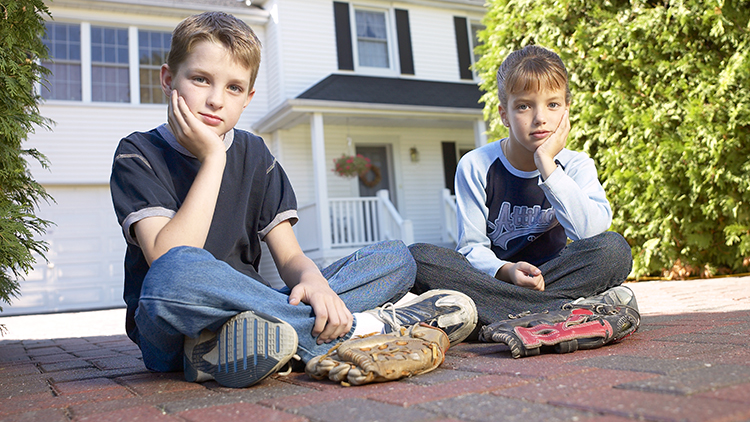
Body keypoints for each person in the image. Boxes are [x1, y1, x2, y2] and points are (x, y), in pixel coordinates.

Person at [110, 11, 476, 388]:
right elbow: (168, 258)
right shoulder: (137, 153)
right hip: (170, 324)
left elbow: (289, 258)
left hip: (257, 316)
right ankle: (364, 328)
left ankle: (228, 352)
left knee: (395, 257)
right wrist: (214, 159)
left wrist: (315, 284)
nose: (216, 100)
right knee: (174, 271)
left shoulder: (256, 154)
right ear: (169, 80)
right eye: (200, 79)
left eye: (233, 88)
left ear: (248, 98)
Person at [409, 45, 636, 332]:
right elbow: (472, 247)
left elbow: (588, 233)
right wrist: (507, 271)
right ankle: (563, 311)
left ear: (566, 111)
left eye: (552, 105)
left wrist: (546, 163)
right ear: (504, 115)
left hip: (554, 275)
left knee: (614, 249)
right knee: (418, 258)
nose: (540, 118)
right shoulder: (476, 165)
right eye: (524, 106)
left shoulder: (576, 165)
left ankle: (495, 316)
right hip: (494, 281)